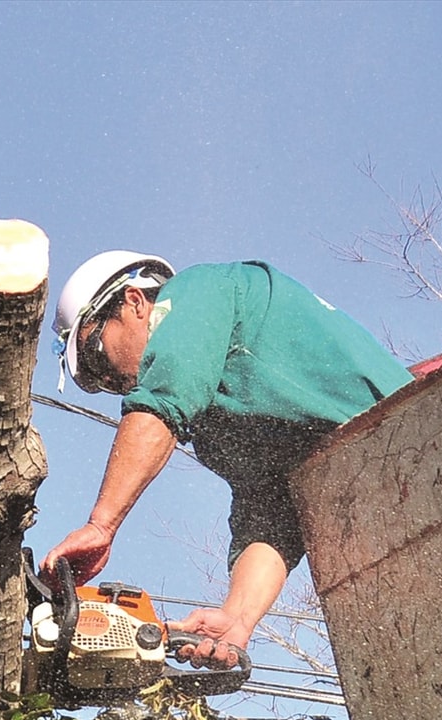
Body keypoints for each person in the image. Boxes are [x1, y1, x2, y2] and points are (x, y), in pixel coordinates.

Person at [42, 252, 412, 668]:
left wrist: (101, 525)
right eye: (96, 384)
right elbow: (268, 516)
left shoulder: (201, 293)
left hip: (425, 439)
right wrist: (238, 618)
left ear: (134, 302)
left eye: (96, 357)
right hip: (393, 512)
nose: (111, 381)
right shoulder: (217, 422)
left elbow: (162, 400)